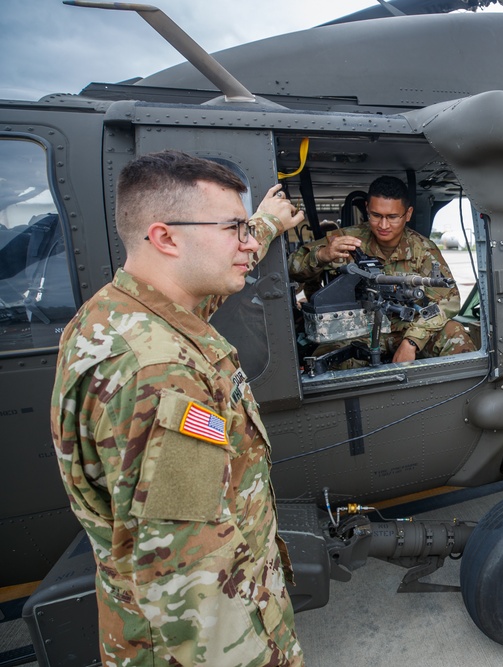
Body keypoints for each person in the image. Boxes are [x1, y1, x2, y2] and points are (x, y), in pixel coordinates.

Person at [50, 150, 306, 666]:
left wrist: (266, 224)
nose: (247, 241)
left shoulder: (119, 316)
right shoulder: (161, 374)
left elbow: (204, 285)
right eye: (235, 228)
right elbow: (193, 582)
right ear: (166, 237)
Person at [289, 175, 474, 363]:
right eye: (376, 215)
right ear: (367, 209)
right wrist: (322, 255)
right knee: (322, 360)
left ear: (408, 214)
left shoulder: (423, 249)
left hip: (406, 328)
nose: (383, 225)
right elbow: (290, 269)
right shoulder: (344, 239)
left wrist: (412, 341)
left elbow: (449, 299)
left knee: (455, 333)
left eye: (392, 217)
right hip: (353, 330)